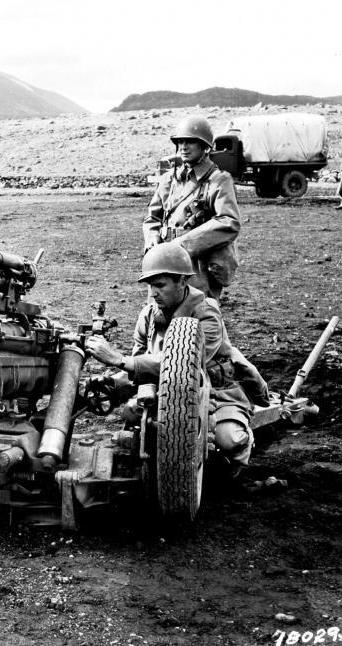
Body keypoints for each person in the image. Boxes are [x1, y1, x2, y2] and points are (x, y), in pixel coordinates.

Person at [85, 242, 269, 477]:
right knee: (134, 416)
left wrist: (119, 359)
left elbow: (186, 363)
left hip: (216, 393)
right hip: (168, 391)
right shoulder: (149, 315)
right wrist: (113, 383)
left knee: (229, 440)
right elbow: (139, 360)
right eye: (151, 285)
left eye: (160, 285)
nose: (153, 293)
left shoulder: (207, 314)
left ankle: (238, 454)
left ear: (182, 281)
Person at [144, 115, 241, 299]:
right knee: (157, 316)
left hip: (197, 265)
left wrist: (181, 245)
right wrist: (153, 243)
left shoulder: (219, 180)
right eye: (180, 142)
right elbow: (152, 219)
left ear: (205, 146)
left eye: (191, 142)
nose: (184, 147)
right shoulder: (169, 180)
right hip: (163, 262)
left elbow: (229, 222)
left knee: (195, 316)